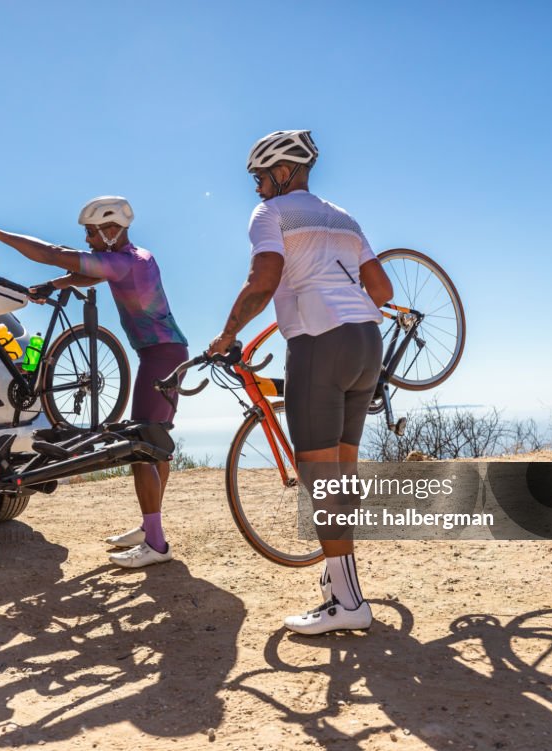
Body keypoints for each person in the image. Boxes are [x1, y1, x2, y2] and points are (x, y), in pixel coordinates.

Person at [208, 130, 394, 635]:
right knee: (342, 472)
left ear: (282, 172)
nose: (256, 189)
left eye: (260, 178)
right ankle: (341, 586)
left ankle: (349, 603)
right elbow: (381, 288)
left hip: (319, 344)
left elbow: (263, 280)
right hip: (366, 344)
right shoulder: (344, 216)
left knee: (319, 479)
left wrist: (228, 333)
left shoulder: (271, 215)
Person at [0, 197, 188, 569]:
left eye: (92, 233)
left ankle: (156, 544)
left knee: (143, 448)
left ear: (112, 231)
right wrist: (55, 284)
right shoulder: (135, 257)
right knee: (155, 444)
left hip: (161, 357)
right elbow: (93, 273)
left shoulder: (126, 261)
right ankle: (149, 527)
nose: (87, 239)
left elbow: (53, 253)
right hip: (166, 353)